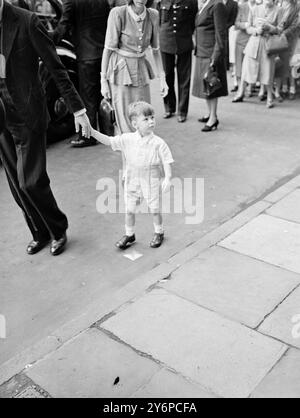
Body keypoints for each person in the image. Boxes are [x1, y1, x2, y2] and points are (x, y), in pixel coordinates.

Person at [0, 0, 91, 256]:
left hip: (28, 114)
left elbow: (56, 68)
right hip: (2, 118)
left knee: (30, 181)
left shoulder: (27, 21)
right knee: (17, 188)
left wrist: (78, 110)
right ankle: (39, 232)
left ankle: (58, 228)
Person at [92, 101, 174, 249]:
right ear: (135, 124)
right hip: (132, 179)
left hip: (151, 178)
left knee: (154, 208)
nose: (151, 121)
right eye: (146, 119)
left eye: (152, 118)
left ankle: (159, 232)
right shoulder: (127, 139)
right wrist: (92, 132)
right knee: (129, 210)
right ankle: (129, 234)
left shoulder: (158, 143)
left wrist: (168, 177)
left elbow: (167, 160)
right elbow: (109, 141)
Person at [101, 0, 168, 135]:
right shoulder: (118, 13)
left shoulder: (153, 15)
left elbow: (155, 50)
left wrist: (162, 79)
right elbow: (108, 50)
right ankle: (128, 155)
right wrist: (103, 81)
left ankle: (142, 154)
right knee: (125, 122)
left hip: (141, 71)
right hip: (121, 72)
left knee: (144, 118)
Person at [53, 0, 111, 148]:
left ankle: (88, 136)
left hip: (86, 54)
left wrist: (50, 43)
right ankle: (107, 131)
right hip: (103, 51)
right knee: (102, 94)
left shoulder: (71, 1)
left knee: (87, 97)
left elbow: (63, 25)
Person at [233, 0, 281, 108]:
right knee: (246, 69)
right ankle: (240, 93)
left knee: (268, 71)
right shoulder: (255, 9)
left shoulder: (278, 10)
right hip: (253, 44)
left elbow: (280, 30)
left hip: (268, 45)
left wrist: (270, 27)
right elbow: (248, 27)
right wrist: (255, 30)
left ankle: (269, 98)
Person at [157, 0, 198, 123]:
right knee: (167, 76)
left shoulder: (191, 2)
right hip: (166, 41)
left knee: (184, 78)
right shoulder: (162, 1)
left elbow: (192, 22)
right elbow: (159, 21)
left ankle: (182, 110)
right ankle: (169, 107)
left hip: (184, 41)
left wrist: (188, 36)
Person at [192, 0, 228, 132]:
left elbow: (221, 33)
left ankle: (213, 118)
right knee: (205, 86)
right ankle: (209, 114)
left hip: (210, 53)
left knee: (211, 86)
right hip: (202, 52)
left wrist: (216, 56)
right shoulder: (206, 4)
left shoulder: (217, 5)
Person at [274, 0, 300, 101]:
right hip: (280, 38)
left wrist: (284, 33)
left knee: (292, 63)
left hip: (292, 38)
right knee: (283, 62)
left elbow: (297, 24)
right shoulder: (280, 4)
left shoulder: (297, 6)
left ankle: (292, 89)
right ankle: (284, 87)